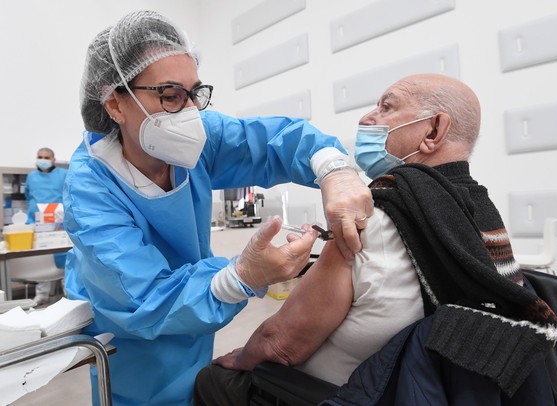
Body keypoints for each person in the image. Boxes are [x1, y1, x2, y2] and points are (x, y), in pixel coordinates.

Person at [64, 10, 373, 406]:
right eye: (171, 96)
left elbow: (276, 141)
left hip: (195, 312)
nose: (191, 113)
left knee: (200, 388)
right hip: (132, 340)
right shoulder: (91, 187)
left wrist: (335, 170)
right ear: (115, 104)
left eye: (195, 94)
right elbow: (142, 299)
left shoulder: (197, 136)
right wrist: (242, 275)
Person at [194, 73, 557, 405]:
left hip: (349, 395)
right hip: (433, 391)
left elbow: (280, 343)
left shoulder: (377, 217)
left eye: (386, 107)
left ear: (433, 131)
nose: (366, 118)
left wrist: (238, 357)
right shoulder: (481, 213)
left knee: (211, 380)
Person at [24, 147, 67, 305]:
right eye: (40, 156)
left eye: (46, 157)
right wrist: (34, 211)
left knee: (64, 257)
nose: (43, 160)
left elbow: (69, 195)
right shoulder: (31, 176)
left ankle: (68, 293)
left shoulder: (63, 175)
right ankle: (42, 294)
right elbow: (28, 196)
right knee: (42, 258)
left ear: (53, 159)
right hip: (37, 221)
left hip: (58, 221)